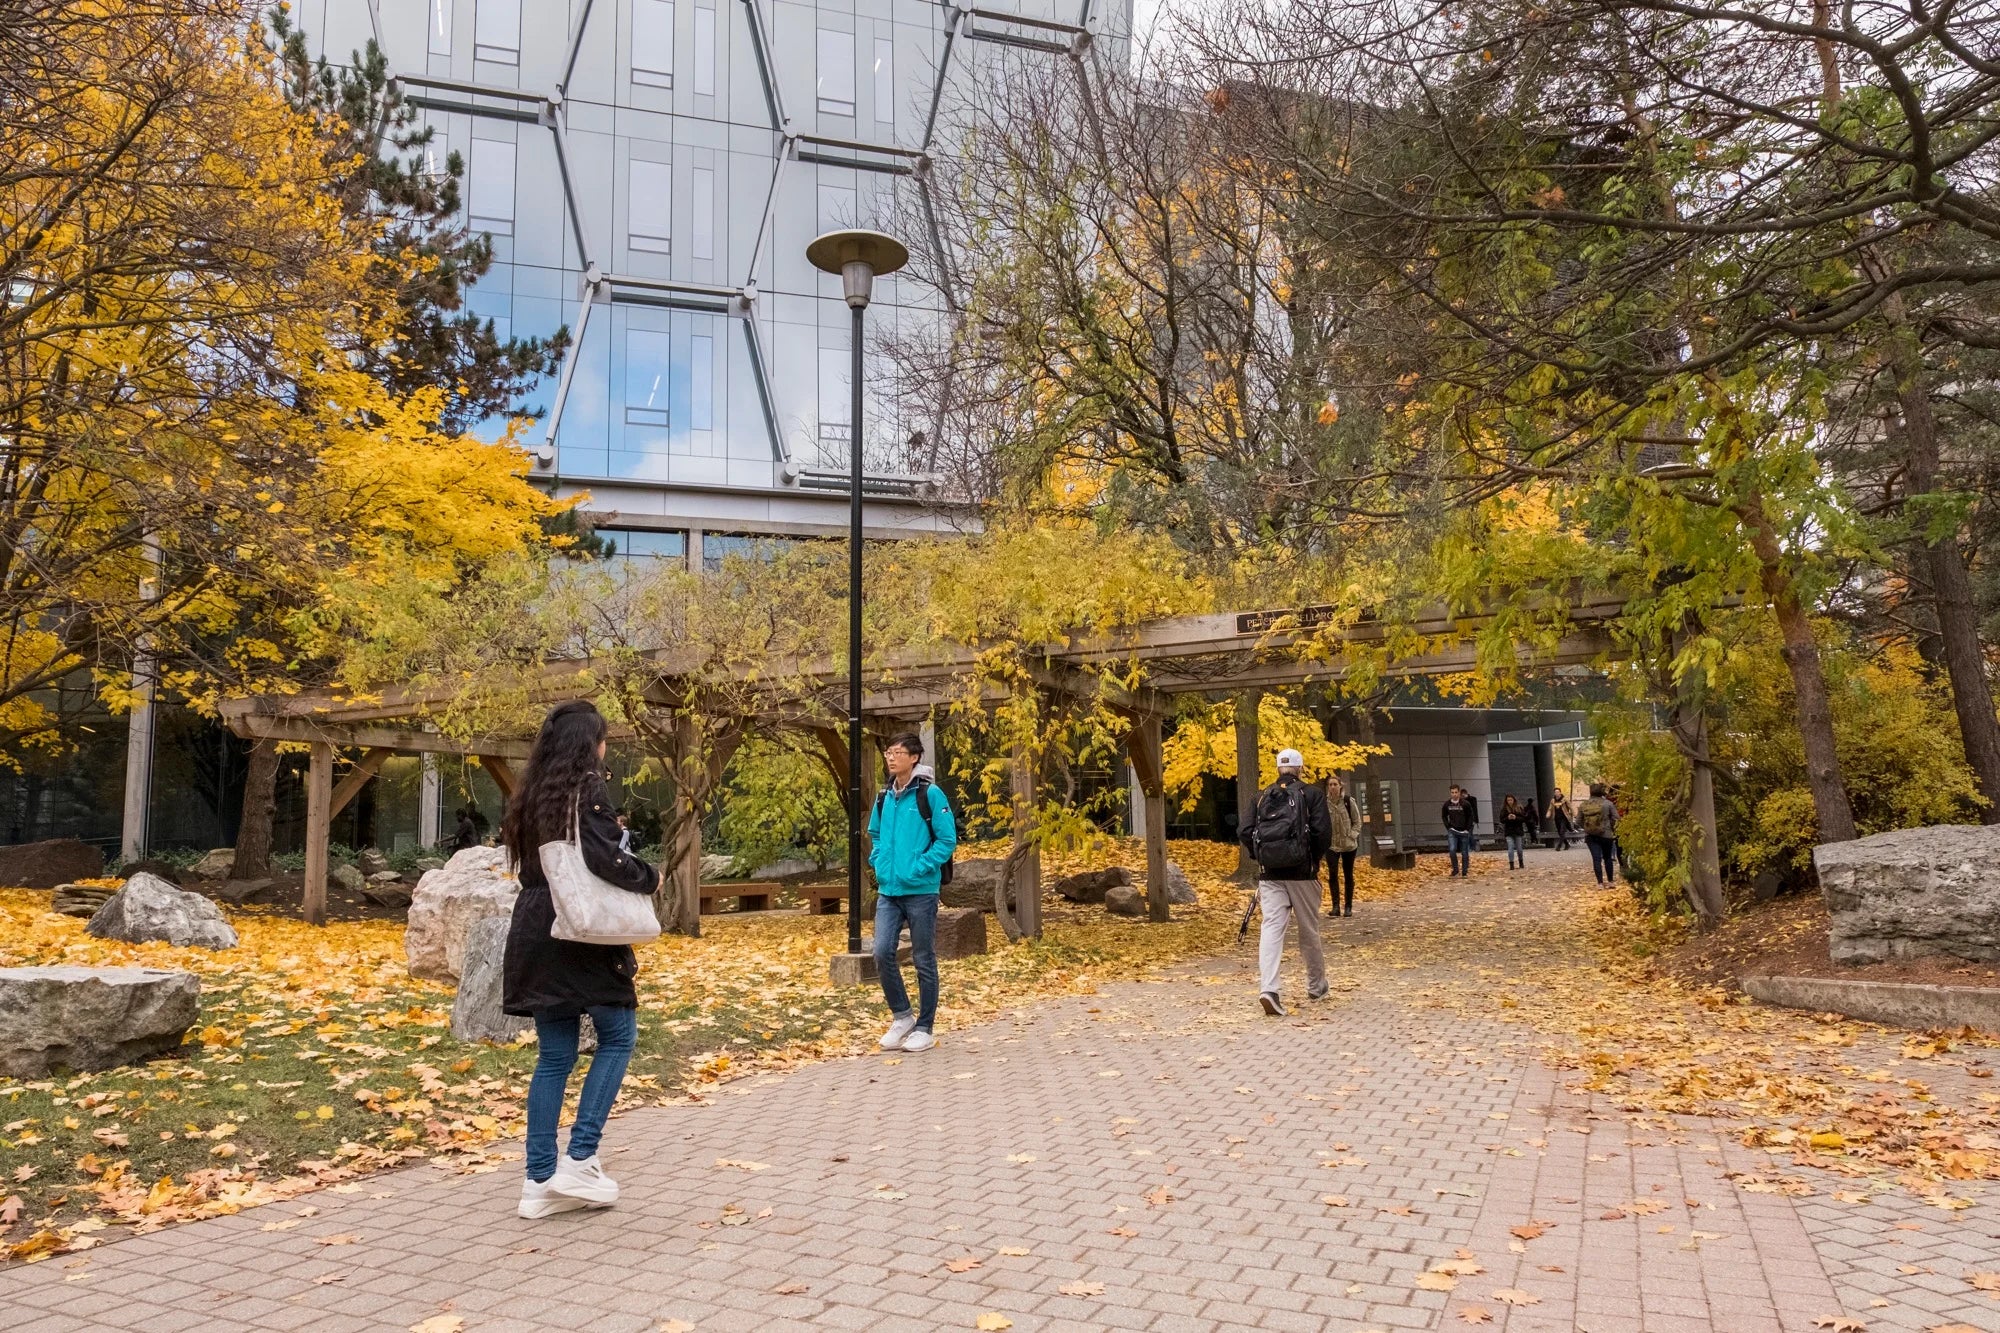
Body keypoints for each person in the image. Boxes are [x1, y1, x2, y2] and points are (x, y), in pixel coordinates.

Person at [500, 701, 660, 1220]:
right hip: (579, 933)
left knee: (555, 1056)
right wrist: (648, 875)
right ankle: (582, 1158)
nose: (606, 747)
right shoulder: (586, 789)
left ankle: (538, 1180)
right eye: (603, 739)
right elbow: (603, 859)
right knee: (619, 1035)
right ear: (590, 744)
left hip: (535, 927)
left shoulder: (529, 797)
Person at [868, 733, 958, 1054]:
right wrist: (877, 861)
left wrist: (921, 865)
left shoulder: (930, 794)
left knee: (923, 958)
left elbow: (947, 840)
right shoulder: (884, 797)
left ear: (914, 757)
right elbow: (875, 835)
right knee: (881, 952)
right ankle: (902, 1016)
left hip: (921, 891)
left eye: (897, 753)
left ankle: (925, 1027)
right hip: (889, 891)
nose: (891, 758)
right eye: (888, 753)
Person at [1241, 748, 1332, 1016]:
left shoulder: (1260, 797)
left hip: (1270, 874)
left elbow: (1245, 831)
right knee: (1308, 930)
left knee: (1271, 930)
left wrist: (1260, 856)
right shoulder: (1312, 794)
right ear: (1300, 768)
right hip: (1303, 874)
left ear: (1278, 768)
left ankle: (1269, 988)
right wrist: (1312, 860)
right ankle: (1317, 986)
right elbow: (1322, 833)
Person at [1324, 774, 1363, 918]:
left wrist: (1352, 835)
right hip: (1332, 845)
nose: (1332, 787)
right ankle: (1335, 906)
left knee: (1348, 875)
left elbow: (1357, 822)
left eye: (1335, 784)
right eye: (1330, 785)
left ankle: (1348, 906)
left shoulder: (1348, 802)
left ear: (1340, 786)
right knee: (1332, 874)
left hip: (1348, 845)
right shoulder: (1324, 803)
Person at [1577, 782, 1620, 885]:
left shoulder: (1584, 805)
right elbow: (1616, 818)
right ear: (1601, 792)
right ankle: (1610, 881)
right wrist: (1611, 827)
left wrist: (1587, 827)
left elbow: (1578, 821)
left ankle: (1600, 883)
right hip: (1606, 834)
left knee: (1596, 859)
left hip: (1590, 836)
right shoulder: (1608, 803)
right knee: (1608, 858)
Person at [1441, 785, 1479, 877]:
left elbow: (1470, 816)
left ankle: (1464, 871)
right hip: (1453, 831)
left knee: (1464, 851)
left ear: (1459, 793)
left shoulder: (1465, 804)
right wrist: (1448, 827)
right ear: (1450, 793)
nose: (1454, 794)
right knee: (1452, 850)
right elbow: (1444, 816)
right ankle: (1455, 869)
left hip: (1464, 831)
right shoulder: (1447, 804)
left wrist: (1467, 829)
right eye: (1452, 792)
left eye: (1456, 792)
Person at [1500, 795, 1530, 870]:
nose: (1510, 802)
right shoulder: (1504, 809)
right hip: (1509, 831)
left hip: (1517, 830)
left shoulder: (1519, 808)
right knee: (1510, 847)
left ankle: (1521, 861)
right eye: (1508, 800)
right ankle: (1511, 864)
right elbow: (1502, 820)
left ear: (1514, 800)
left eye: (1511, 800)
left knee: (1519, 848)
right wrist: (1508, 818)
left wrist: (1516, 818)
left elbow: (1524, 818)